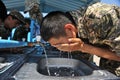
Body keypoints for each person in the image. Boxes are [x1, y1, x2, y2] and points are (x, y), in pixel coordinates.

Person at [40, 2, 120, 76]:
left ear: (69, 28)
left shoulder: (102, 18)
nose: (61, 48)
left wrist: (83, 47)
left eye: (60, 44)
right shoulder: (72, 35)